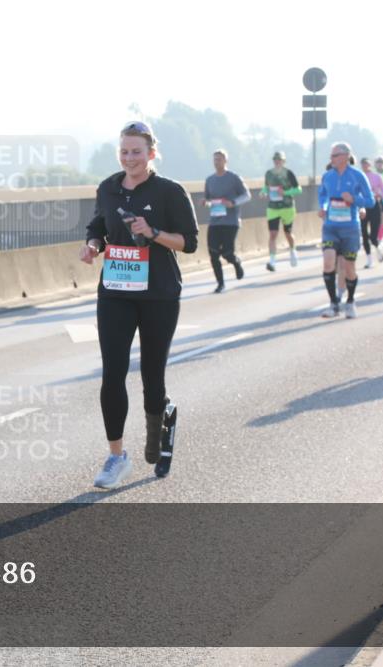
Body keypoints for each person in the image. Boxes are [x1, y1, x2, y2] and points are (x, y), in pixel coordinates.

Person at [80, 121, 198, 488]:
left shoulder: (170, 191)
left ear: (151, 154)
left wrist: (154, 233)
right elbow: (98, 226)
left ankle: (159, 432)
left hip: (159, 294)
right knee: (112, 372)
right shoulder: (109, 188)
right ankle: (116, 456)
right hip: (115, 291)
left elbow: (189, 242)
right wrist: (93, 246)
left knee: (152, 375)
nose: (130, 158)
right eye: (124, 151)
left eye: (137, 151)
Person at [317, 143, 374, 319]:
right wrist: (323, 207)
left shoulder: (358, 176)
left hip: (350, 228)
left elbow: (370, 201)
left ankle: (349, 301)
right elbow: (323, 195)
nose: (331, 159)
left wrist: (354, 199)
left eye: (334, 156)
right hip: (330, 226)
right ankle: (334, 304)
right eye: (331, 156)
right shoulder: (327, 176)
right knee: (328, 262)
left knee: (349, 267)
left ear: (345, 156)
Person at [203, 150, 249, 292]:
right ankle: (220, 283)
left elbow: (247, 195)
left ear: (225, 161)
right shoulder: (209, 180)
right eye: (215, 159)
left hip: (231, 221)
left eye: (220, 159)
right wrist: (205, 203)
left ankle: (236, 263)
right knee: (213, 253)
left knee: (227, 253)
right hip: (215, 221)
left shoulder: (234, 178)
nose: (217, 162)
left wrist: (233, 202)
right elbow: (209, 200)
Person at [259, 150, 301, 271]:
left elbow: (298, 190)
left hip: (287, 207)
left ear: (283, 161)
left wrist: (286, 192)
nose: (277, 162)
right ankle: (272, 261)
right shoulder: (269, 174)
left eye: (279, 160)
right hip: (273, 208)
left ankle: (293, 250)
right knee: (273, 234)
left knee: (288, 233)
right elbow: (266, 187)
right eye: (275, 160)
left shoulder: (289, 173)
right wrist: (263, 192)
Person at [360, 158, 383, 268]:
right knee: (364, 234)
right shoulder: (359, 177)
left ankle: (378, 248)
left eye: (367, 164)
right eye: (363, 164)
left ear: (370, 165)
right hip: (363, 206)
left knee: (373, 235)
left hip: (375, 206)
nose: (365, 166)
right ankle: (369, 259)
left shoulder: (377, 177)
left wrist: (379, 194)